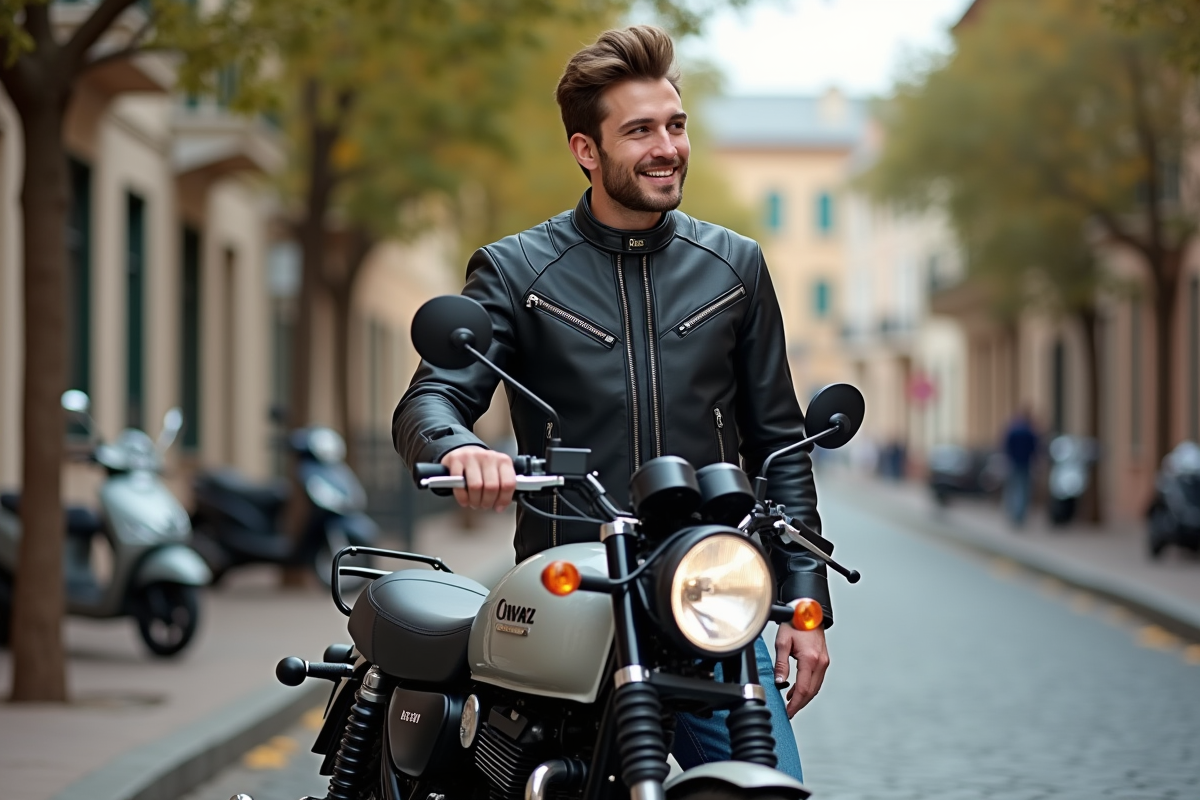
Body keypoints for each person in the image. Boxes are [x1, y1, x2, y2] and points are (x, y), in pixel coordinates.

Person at [393, 25, 830, 782]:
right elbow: (430, 397)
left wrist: (804, 604)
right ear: (586, 151)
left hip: (708, 598)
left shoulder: (736, 268)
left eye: (675, 125)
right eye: (639, 131)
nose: (667, 147)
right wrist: (455, 446)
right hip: (574, 596)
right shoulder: (517, 269)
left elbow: (779, 445)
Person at [1002, 407, 1039, 527]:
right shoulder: (1030, 431)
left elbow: (1005, 446)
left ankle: (1013, 513)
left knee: (1013, 488)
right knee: (1023, 490)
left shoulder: (1013, 430)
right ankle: (1020, 515)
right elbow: (1035, 449)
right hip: (1025, 463)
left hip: (1013, 463)